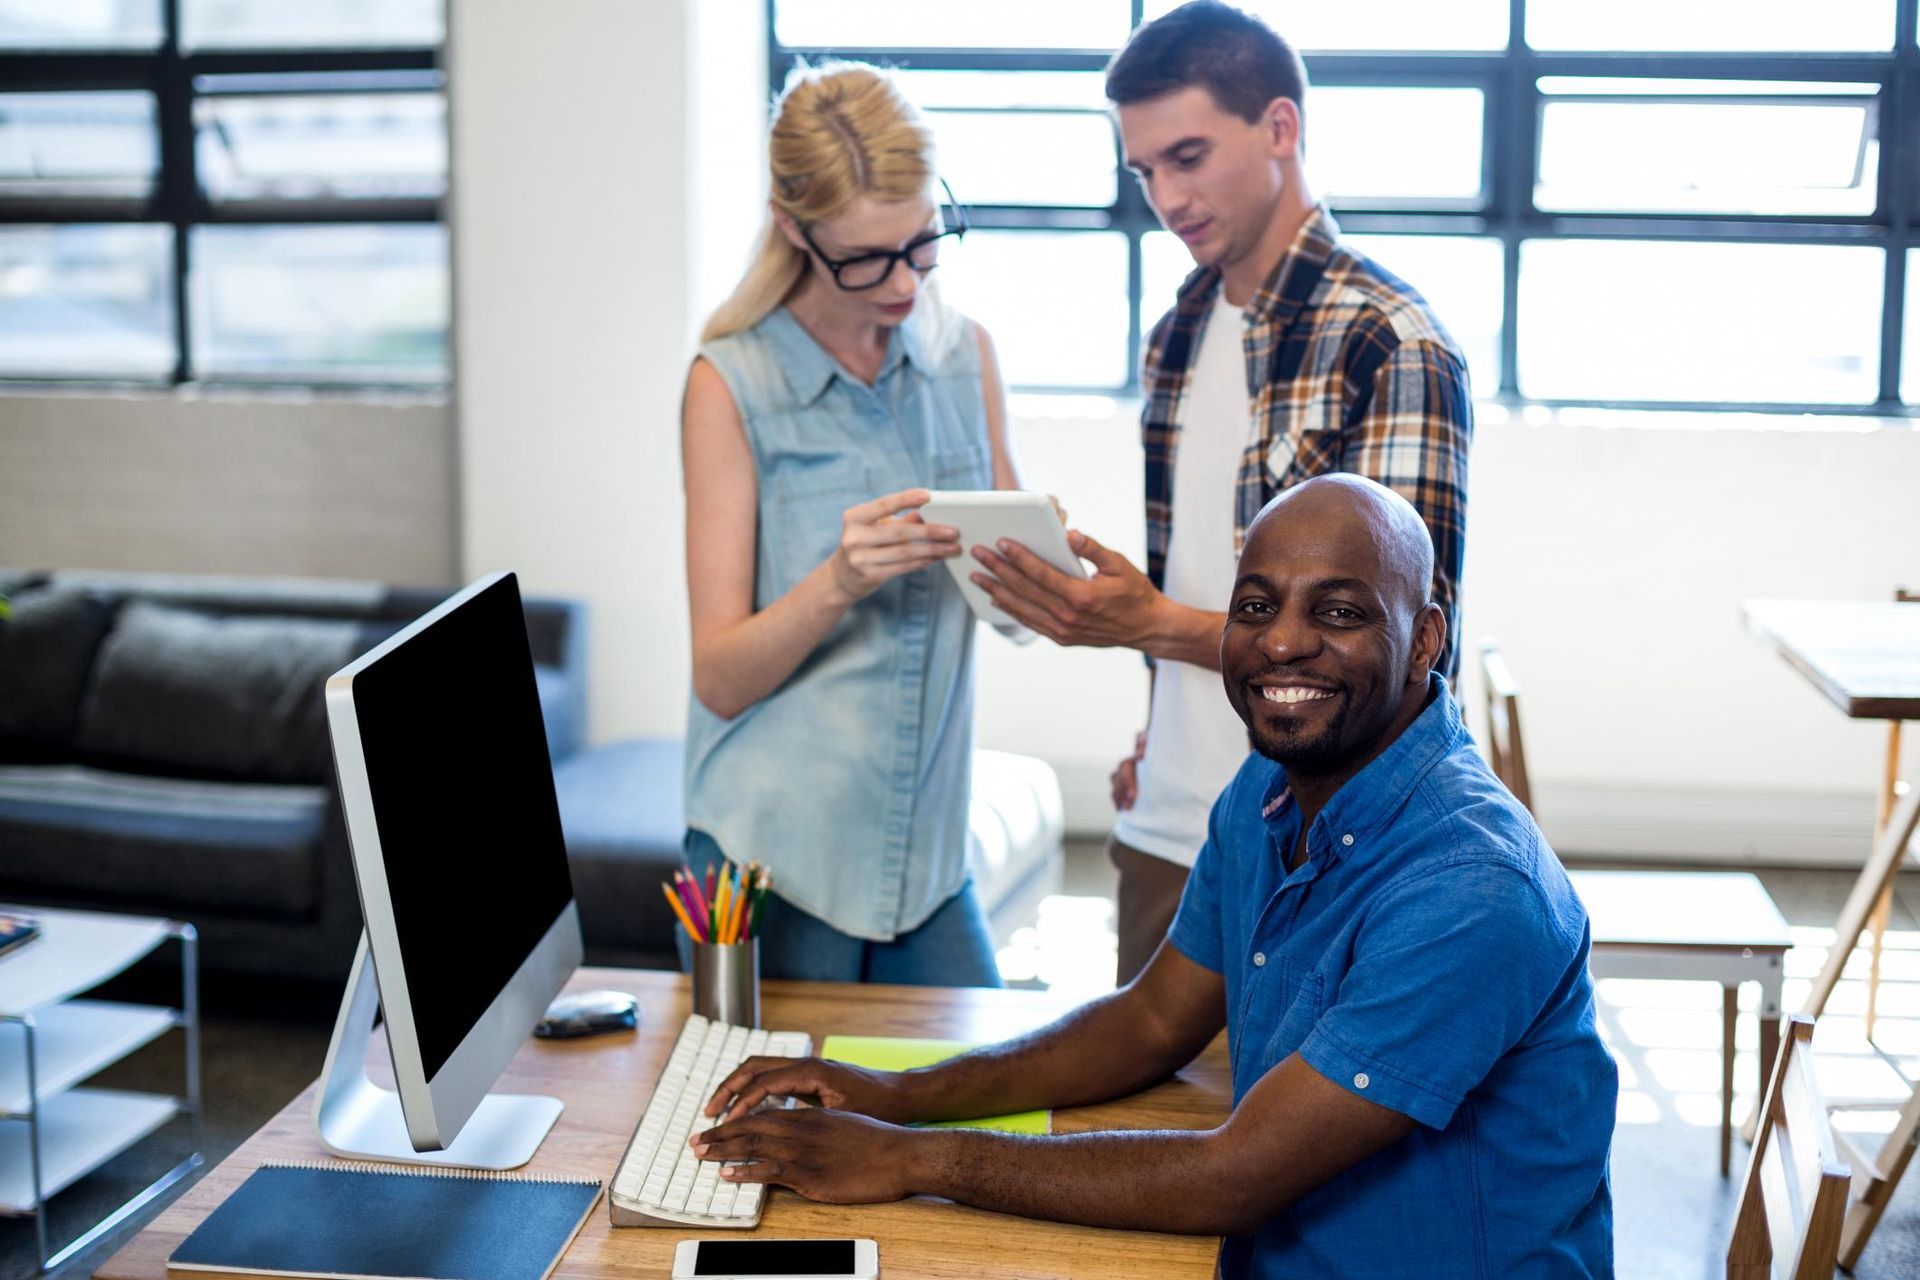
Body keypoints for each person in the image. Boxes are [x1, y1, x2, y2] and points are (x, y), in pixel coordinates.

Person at [690, 476, 1615, 1279]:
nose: (1283, 644)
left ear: (1424, 642)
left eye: (1338, 612)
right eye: (1256, 607)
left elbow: (1233, 1175)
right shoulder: (1271, 784)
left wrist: (911, 1159)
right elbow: (1151, 1020)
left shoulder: (1472, 885)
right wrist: (897, 1092)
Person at [970, 0, 1475, 985]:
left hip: (1329, 847)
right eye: (1145, 169)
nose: (1166, 194)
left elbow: (1383, 651)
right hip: (1166, 826)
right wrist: (1164, 726)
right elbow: (1210, 565)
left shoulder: (1390, 339)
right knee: (1130, 1134)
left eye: (1189, 156)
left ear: (1281, 129)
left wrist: (1145, 624)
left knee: (1295, 1141)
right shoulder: (1179, 328)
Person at [680, 62, 1020, 986]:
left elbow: (1016, 613)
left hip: (927, 861)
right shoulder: (732, 384)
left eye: (922, 243)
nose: (905, 283)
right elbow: (719, 678)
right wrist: (838, 580)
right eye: (868, 259)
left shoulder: (964, 355)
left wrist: (1044, 567)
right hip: (777, 862)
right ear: (794, 230)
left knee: (1001, 1120)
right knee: (770, 1131)